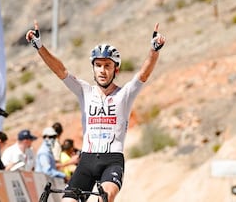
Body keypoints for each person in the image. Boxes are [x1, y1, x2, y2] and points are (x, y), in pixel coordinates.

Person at [26, 20, 165, 202]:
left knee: (105, 196)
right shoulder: (85, 91)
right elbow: (60, 70)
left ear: (116, 68)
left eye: (107, 65)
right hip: (86, 161)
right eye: (98, 65)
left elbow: (143, 74)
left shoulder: (125, 94)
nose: (102, 70)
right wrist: (39, 46)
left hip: (112, 161)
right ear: (93, 68)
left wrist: (154, 50)